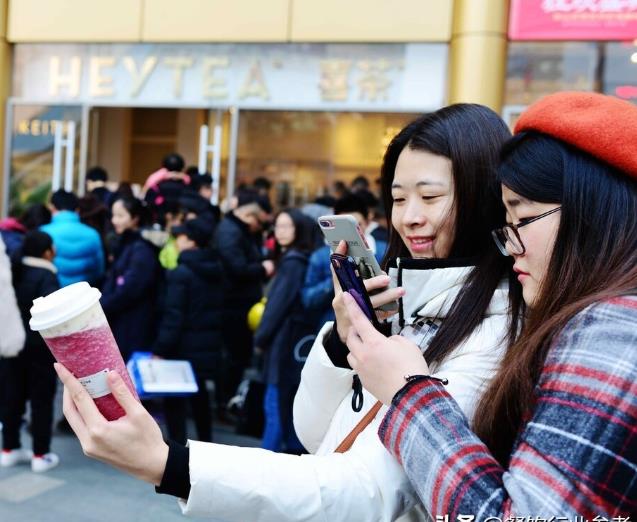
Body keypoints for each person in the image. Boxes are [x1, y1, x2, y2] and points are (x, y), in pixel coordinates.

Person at [53, 103, 522, 522]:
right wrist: (342, 344)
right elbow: (314, 433)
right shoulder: (401, 301)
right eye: (399, 198)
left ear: (484, 198)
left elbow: (371, 495)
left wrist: (169, 464)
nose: (409, 216)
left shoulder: (495, 329)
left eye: (431, 196)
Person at [343, 92, 637, 518]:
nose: (510, 246)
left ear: (592, 213)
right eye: (398, 198)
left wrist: (410, 394)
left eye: (522, 218)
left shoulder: (612, 328)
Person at [154, 217, 225, 445]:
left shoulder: (181, 273)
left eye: (180, 237)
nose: (176, 241)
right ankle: (206, 443)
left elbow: (174, 315)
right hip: (206, 344)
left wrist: (160, 348)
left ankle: (177, 447)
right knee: (200, 396)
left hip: (182, 345)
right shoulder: (216, 269)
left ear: (191, 241)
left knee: (175, 398)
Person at [255, 209, 317, 453]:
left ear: (299, 229)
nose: (280, 232)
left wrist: (261, 337)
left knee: (275, 405)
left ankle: (265, 465)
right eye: (277, 226)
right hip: (293, 341)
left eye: (286, 226)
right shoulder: (297, 258)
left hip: (284, 341)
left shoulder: (293, 262)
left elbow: (277, 306)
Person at [1, 231, 60, 472]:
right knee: (41, 401)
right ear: (47, 252)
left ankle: (9, 449)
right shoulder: (47, 275)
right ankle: (40, 454)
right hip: (40, 350)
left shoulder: (13, 269)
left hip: (11, 345)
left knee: (10, 397)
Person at [213, 188, 274, 405]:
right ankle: (225, 400)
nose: (259, 229)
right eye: (259, 224)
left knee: (234, 356)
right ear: (249, 217)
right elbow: (237, 268)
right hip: (234, 303)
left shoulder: (235, 229)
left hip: (237, 301)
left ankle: (226, 398)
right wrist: (262, 268)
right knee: (233, 356)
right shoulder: (232, 232)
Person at [301, 193, 387, 328]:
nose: (351, 233)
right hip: (333, 327)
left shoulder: (383, 251)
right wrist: (339, 276)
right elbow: (308, 300)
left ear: (368, 221)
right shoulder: (321, 256)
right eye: (343, 226)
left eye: (357, 225)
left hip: (378, 326)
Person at [100, 196, 161, 361]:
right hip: (123, 320)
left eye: (120, 216)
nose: (114, 220)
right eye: (113, 215)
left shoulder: (141, 249)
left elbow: (130, 288)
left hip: (134, 324)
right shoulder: (126, 243)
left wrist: (103, 305)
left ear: (135, 218)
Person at [41, 189, 104, 287]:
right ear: (77, 209)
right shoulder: (93, 234)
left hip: (53, 294)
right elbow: (99, 270)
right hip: (83, 294)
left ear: (52, 208)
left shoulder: (44, 232)